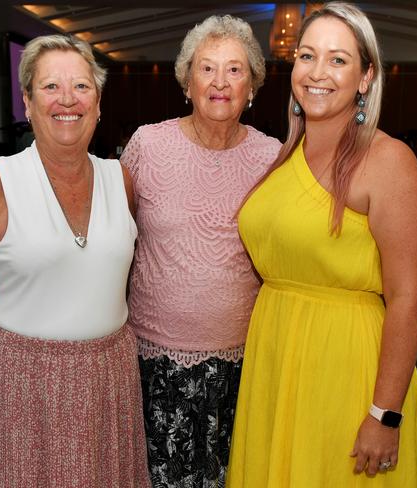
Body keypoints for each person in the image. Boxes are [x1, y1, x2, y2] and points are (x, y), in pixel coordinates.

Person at [227, 3, 417, 486]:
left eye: (338, 60)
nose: (317, 73)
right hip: (277, 359)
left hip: (346, 369)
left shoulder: (389, 162)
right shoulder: (288, 151)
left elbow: (409, 300)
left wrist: (385, 414)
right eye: (306, 56)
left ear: (365, 77)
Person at [0, 35, 149, 487]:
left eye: (81, 86)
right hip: (23, 387)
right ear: (28, 102)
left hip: (108, 382)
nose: (67, 100)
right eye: (50, 86)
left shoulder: (122, 180)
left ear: (97, 103)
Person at [120, 15, 281, 486]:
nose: (220, 82)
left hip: (242, 365)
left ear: (252, 85)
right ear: (186, 81)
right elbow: (113, 235)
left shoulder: (273, 157)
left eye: (235, 70)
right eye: (206, 68)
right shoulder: (148, 145)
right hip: (154, 364)